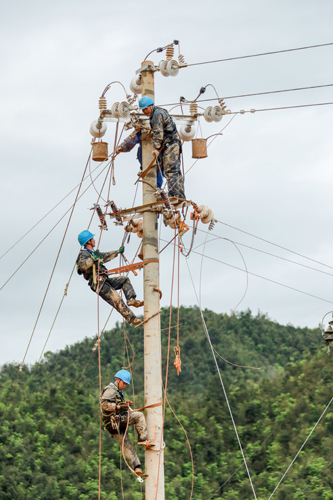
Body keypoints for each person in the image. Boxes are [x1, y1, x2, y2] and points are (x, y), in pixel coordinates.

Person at [76, 230, 142, 326]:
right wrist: (93, 258)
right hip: (98, 283)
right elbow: (83, 266)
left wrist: (117, 252)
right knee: (116, 299)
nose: (94, 240)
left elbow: (106, 256)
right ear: (88, 241)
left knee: (124, 280)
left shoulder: (94, 253)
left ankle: (131, 299)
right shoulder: (84, 254)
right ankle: (132, 319)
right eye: (92, 239)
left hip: (105, 279)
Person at [100, 369, 152, 478]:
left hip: (112, 425)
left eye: (126, 384)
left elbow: (114, 405)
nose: (124, 385)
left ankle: (137, 467)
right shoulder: (110, 390)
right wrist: (118, 407)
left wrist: (125, 405)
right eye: (123, 383)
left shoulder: (118, 392)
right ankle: (143, 439)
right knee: (139, 416)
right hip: (115, 420)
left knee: (126, 444)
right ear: (118, 380)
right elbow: (104, 404)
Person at [138, 96, 186, 200]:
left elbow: (158, 132)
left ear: (151, 106)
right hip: (172, 143)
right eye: (143, 110)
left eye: (146, 108)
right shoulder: (159, 112)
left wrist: (155, 147)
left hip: (170, 144)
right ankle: (179, 196)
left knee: (171, 170)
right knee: (175, 170)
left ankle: (174, 195)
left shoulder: (157, 114)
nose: (144, 111)